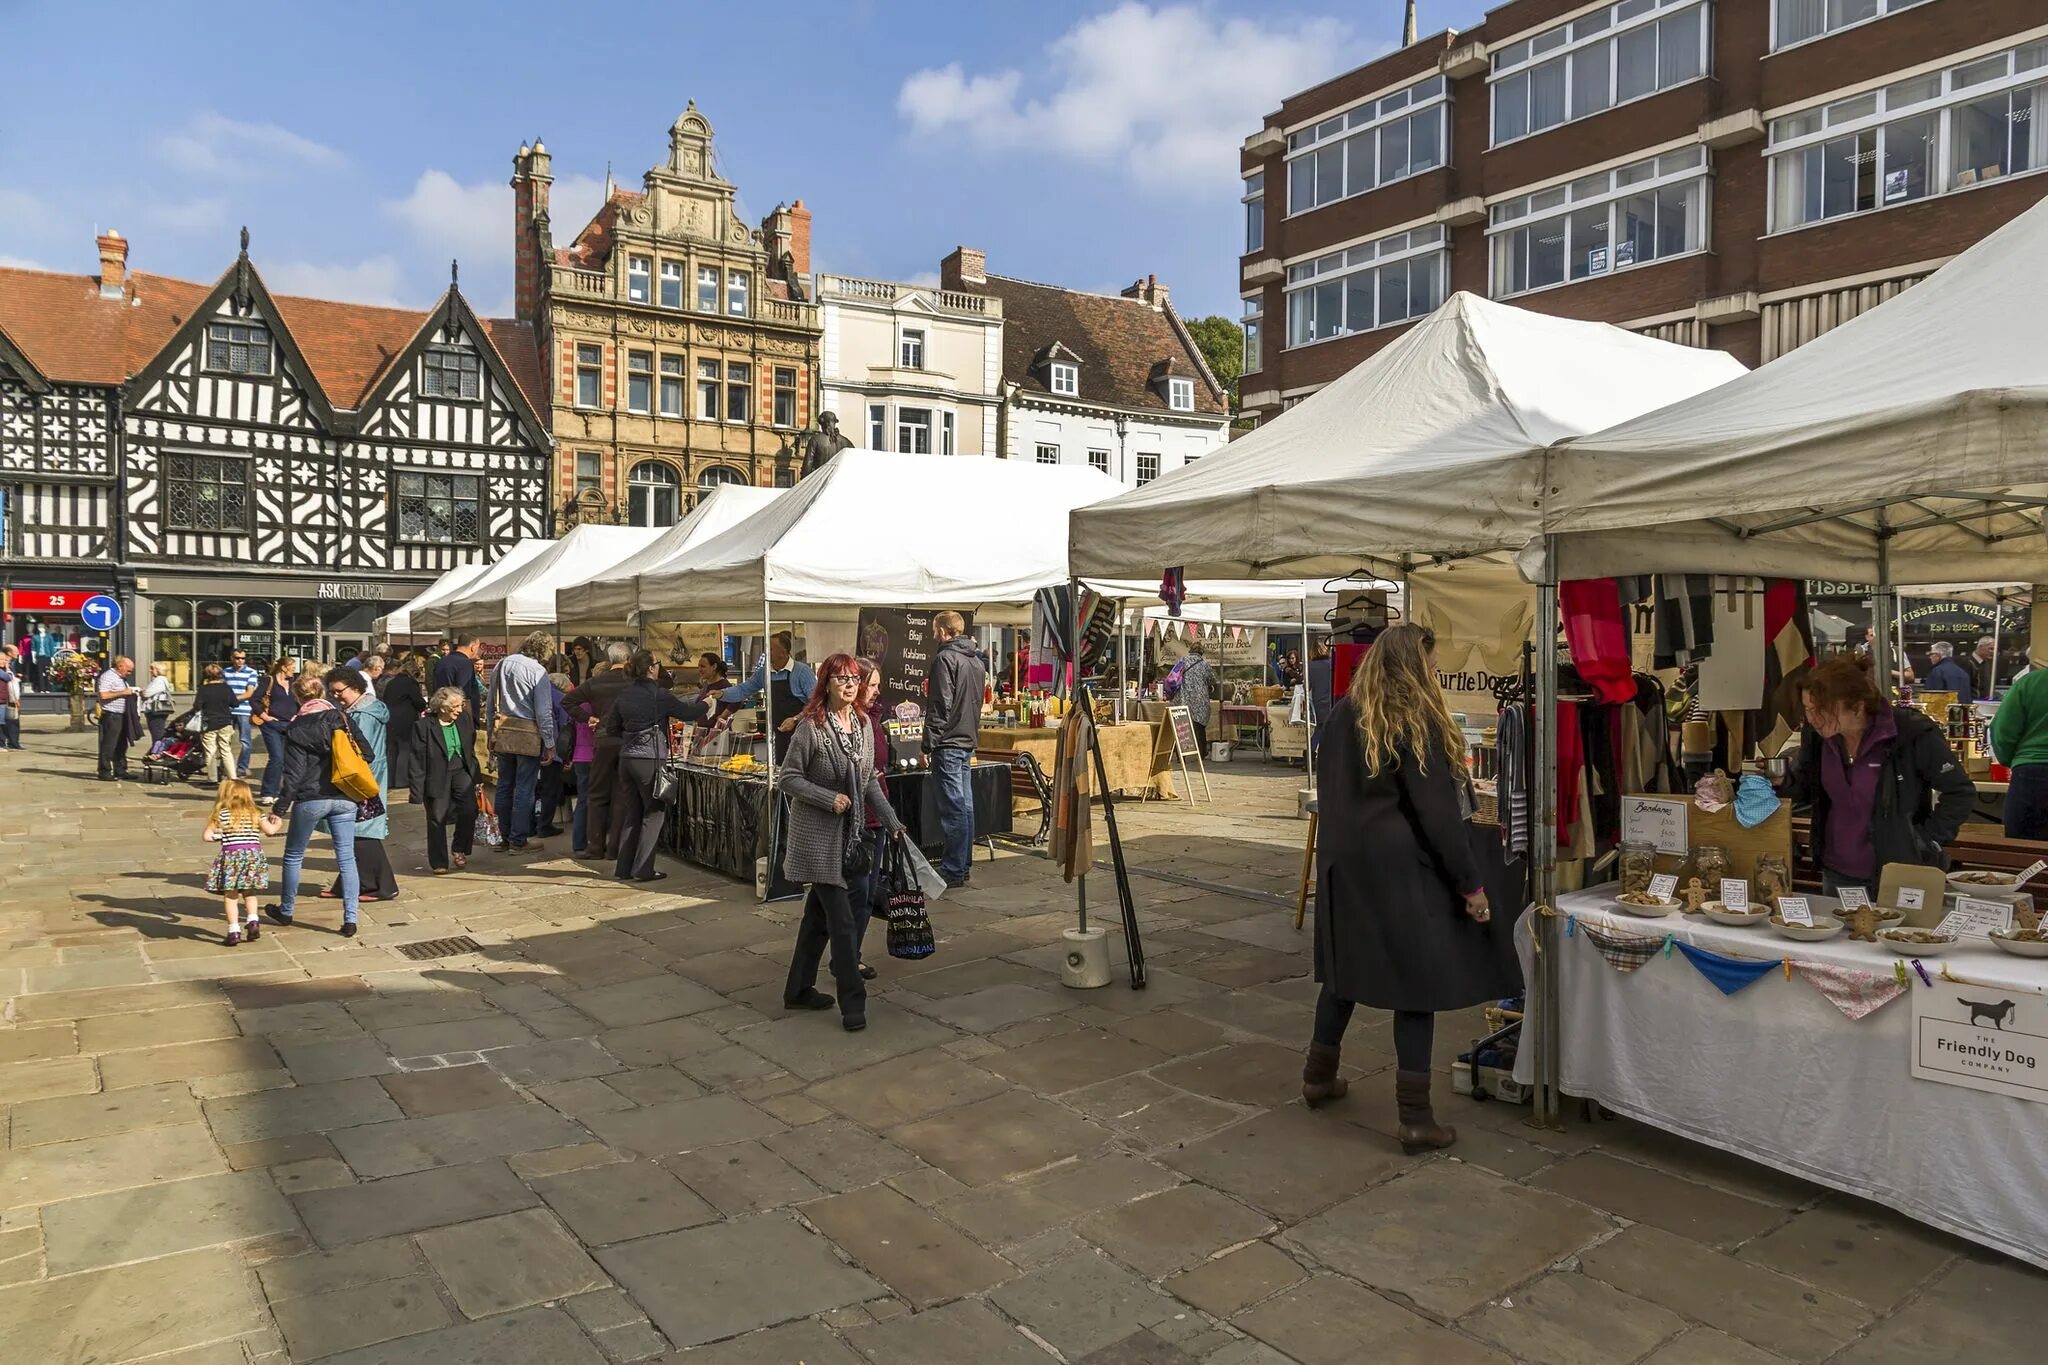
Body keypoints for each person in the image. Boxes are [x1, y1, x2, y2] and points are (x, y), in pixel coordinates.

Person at [1304, 623, 1508, 1155]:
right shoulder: (1413, 719)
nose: (1436, 674)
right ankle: (1415, 1120)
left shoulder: (1343, 715)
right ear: (1414, 666)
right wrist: (1471, 885)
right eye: (1432, 666)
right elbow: (1438, 816)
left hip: (1344, 864)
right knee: (1416, 988)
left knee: (1344, 976)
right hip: (1399, 868)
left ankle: (1317, 1077)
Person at [779, 652, 906, 1033]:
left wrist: (893, 822)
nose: (850, 685)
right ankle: (854, 1005)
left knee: (817, 920)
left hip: (850, 838)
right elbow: (788, 778)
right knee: (844, 923)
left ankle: (798, 990)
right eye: (841, 679)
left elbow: (868, 781)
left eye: (854, 679)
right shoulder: (810, 727)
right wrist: (826, 798)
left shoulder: (864, 725)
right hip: (818, 839)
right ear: (826, 684)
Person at [1782, 655, 1974, 893]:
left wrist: (1925, 839)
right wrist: (1783, 779)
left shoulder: (1909, 732)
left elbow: (1960, 792)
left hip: (1900, 873)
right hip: (1837, 873)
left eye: (1822, 710)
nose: (1813, 719)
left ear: (1857, 706)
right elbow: (1806, 789)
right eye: (1808, 709)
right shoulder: (1818, 737)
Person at [269, 670, 370, 936]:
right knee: (347, 858)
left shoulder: (296, 727)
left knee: (293, 856)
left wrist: (279, 809)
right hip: (344, 796)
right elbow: (367, 753)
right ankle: (350, 919)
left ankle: (286, 911)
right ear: (323, 693)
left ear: (297, 698)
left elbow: (293, 774)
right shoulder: (341, 718)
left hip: (311, 798)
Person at [601, 648, 707, 882]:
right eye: (658, 663)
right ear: (651, 668)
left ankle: (624, 868)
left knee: (633, 813)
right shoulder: (659, 695)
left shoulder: (625, 694)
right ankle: (643, 868)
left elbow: (611, 728)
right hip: (649, 759)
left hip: (626, 760)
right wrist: (708, 702)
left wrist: (632, 735)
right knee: (654, 813)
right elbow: (688, 713)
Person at [321, 669, 398, 903]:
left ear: (354, 687)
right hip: (367, 777)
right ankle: (349, 883)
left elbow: (355, 751)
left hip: (361, 780)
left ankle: (381, 885)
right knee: (353, 831)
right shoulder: (364, 709)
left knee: (360, 832)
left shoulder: (362, 715)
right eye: (332, 692)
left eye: (339, 691)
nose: (336, 696)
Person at [924, 611, 985, 889]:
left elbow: (941, 705)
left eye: (936, 630)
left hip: (948, 742)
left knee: (954, 809)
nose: (933, 635)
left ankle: (954, 868)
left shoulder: (945, 659)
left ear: (944, 632)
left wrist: (928, 743)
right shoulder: (975, 662)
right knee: (965, 806)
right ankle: (963, 864)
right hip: (966, 739)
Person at [488, 631, 558, 853]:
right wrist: (549, 742)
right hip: (527, 733)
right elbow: (544, 712)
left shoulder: (502, 664)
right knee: (524, 788)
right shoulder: (538, 671)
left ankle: (503, 837)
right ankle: (519, 839)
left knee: (504, 785)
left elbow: (492, 702)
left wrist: (491, 731)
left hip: (505, 730)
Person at [566, 643, 635, 862]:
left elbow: (567, 701)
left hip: (603, 741)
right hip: (627, 740)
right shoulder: (634, 682)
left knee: (596, 794)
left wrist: (587, 718)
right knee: (621, 795)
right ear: (628, 659)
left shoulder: (595, 683)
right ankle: (615, 847)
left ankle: (595, 846)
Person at [713, 631, 814, 761]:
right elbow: (744, 689)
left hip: (803, 731)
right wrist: (722, 694)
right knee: (781, 767)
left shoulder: (802, 671)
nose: (765, 651)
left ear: (783, 652)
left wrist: (795, 719)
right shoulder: (764, 672)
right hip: (779, 732)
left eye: (770, 648)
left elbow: (816, 703)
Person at [851, 656, 891, 980]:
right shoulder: (851, 721)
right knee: (858, 894)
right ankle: (848, 958)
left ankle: (850, 955)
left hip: (876, 817)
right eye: (873, 685)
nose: (878, 691)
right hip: (858, 819)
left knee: (865, 893)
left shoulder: (872, 718)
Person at [203, 778, 281, 946]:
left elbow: (207, 836)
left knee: (230, 895)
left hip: (231, 856)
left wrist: (220, 836)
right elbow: (270, 831)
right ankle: (253, 921)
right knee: (249, 891)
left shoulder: (221, 814)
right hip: (253, 856)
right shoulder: (256, 813)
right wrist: (278, 823)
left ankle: (233, 931)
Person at [413, 685, 481, 874]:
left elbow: (470, 749)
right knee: (437, 817)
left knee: (470, 810)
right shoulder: (424, 726)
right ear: (442, 707)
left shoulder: (464, 719)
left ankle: (459, 847)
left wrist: (476, 777)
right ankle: (439, 862)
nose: (460, 710)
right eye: (455, 707)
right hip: (436, 774)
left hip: (461, 770)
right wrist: (417, 789)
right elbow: (417, 759)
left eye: (461, 705)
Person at [381, 654, 427, 801]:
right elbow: (419, 702)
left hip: (390, 719)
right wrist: (423, 706)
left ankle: (389, 780)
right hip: (405, 720)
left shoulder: (392, 682)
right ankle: (401, 780)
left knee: (392, 751)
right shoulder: (410, 684)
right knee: (405, 750)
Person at [257, 658, 300, 804]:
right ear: (283, 667)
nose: (294, 669)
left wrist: (298, 715)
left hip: (289, 724)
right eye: (292, 667)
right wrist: (265, 717)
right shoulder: (268, 681)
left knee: (288, 760)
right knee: (276, 758)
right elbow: (254, 700)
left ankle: (284, 792)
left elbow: (301, 701)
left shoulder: (294, 684)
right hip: (271, 725)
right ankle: (268, 792)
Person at [194, 662, 242, 784]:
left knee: (210, 751)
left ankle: (213, 778)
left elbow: (197, 706)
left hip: (209, 723)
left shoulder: (204, 689)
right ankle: (233, 777)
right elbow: (235, 703)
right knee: (226, 750)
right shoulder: (226, 688)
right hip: (225, 722)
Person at [95, 654, 140, 781]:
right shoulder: (107, 676)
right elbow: (103, 695)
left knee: (121, 744)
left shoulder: (120, 678)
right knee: (109, 744)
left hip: (121, 715)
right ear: (120, 666)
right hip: (112, 715)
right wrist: (123, 692)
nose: (130, 673)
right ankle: (104, 771)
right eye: (129, 670)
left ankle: (120, 770)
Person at [222, 648, 262, 778]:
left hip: (244, 710)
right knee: (224, 740)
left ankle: (242, 767)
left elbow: (249, 693)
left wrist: (232, 699)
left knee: (245, 741)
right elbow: (222, 689)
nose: (240, 661)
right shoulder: (225, 672)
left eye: (242, 658)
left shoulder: (251, 672)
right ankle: (225, 767)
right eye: (237, 658)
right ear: (232, 658)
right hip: (227, 711)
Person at [1176, 641, 1218, 754]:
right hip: (1200, 699)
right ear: (1201, 652)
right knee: (1199, 726)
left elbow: (1174, 676)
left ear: (1190, 650)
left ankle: (1181, 753)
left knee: (1182, 726)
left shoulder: (1182, 661)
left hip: (1184, 697)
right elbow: (1213, 680)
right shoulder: (1205, 664)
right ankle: (1202, 751)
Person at [433, 634, 485, 719]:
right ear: (473, 647)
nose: (477, 651)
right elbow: (465, 693)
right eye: (477, 647)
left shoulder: (441, 661)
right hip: (458, 715)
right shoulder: (465, 664)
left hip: (441, 711)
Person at [139, 662, 175, 745]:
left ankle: (157, 752)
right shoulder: (161, 680)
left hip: (156, 710)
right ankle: (157, 751)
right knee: (157, 732)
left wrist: (142, 692)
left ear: (158, 670)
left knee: (157, 733)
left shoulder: (159, 680)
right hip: (158, 710)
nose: (150, 671)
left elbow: (146, 693)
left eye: (152, 669)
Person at [0, 646, 23, 751]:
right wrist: (8, 670)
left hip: (10, 697)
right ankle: (4, 743)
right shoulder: (3, 669)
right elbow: (8, 677)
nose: (18, 653)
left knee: (11, 720)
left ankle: (12, 742)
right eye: (2, 660)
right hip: (3, 698)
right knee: (3, 722)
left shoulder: (13, 664)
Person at [1972, 635, 1999, 700]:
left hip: (1985, 701)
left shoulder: (1988, 663)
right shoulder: (1967, 663)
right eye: (1991, 649)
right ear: (1980, 647)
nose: (1993, 652)